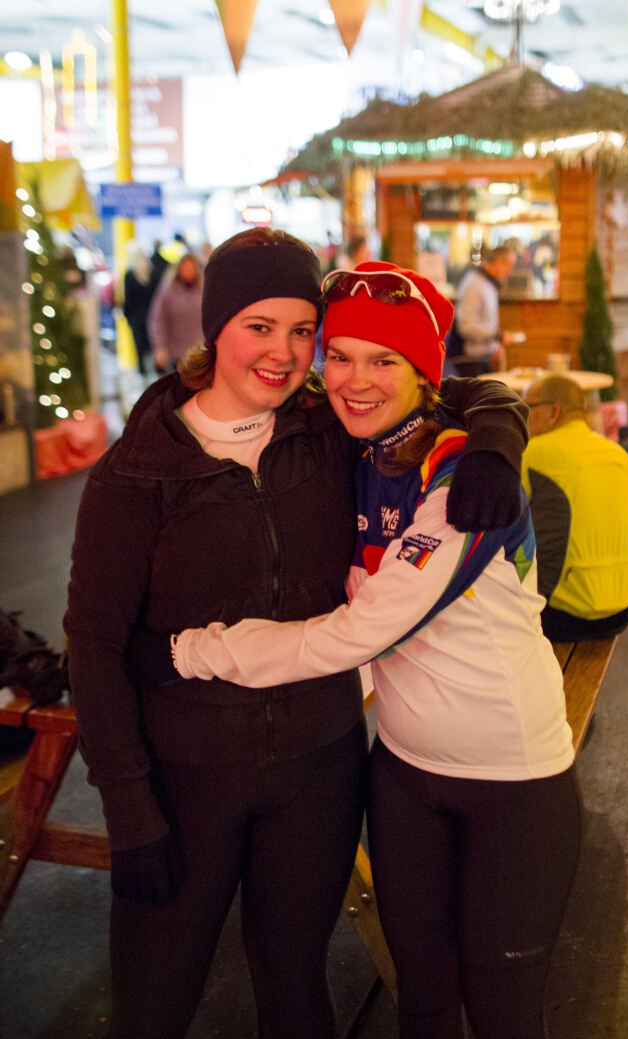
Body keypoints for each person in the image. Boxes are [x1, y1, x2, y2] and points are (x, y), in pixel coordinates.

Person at [64, 230, 530, 1039]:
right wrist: (129, 808)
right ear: (216, 328)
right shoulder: (138, 469)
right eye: (259, 326)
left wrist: (496, 437)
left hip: (318, 766)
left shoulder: (324, 427)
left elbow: (439, 383)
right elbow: (94, 645)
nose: (282, 353)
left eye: (301, 330)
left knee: (294, 982)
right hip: (186, 777)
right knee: (153, 1002)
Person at [169, 260, 582, 1039]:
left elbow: (360, 631)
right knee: (420, 1002)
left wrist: (195, 650)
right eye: (340, 356)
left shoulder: (459, 474)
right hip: (400, 773)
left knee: (503, 1015)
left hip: (512, 785)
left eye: (384, 360)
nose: (356, 381)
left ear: (420, 373)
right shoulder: (353, 448)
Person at [522, 374, 628, 642]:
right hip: (625, 607)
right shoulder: (619, 455)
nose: (523, 417)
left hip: (565, 614)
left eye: (528, 407)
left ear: (553, 412)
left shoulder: (533, 453)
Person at [446, 245, 517, 377]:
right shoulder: (474, 284)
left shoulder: (486, 283)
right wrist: (497, 336)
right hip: (468, 359)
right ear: (498, 262)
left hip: (479, 357)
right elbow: (466, 326)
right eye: (509, 266)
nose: (510, 272)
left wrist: (494, 346)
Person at [148, 252, 203, 372]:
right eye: (185, 267)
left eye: (191, 267)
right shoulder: (168, 290)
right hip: (175, 353)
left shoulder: (202, 290)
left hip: (199, 352)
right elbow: (158, 319)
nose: (188, 270)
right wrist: (159, 346)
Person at [123, 242, 157, 376]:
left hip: (137, 318)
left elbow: (128, 299)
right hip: (150, 316)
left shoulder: (130, 275)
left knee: (140, 348)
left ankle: (143, 373)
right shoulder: (152, 274)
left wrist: (127, 316)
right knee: (151, 346)